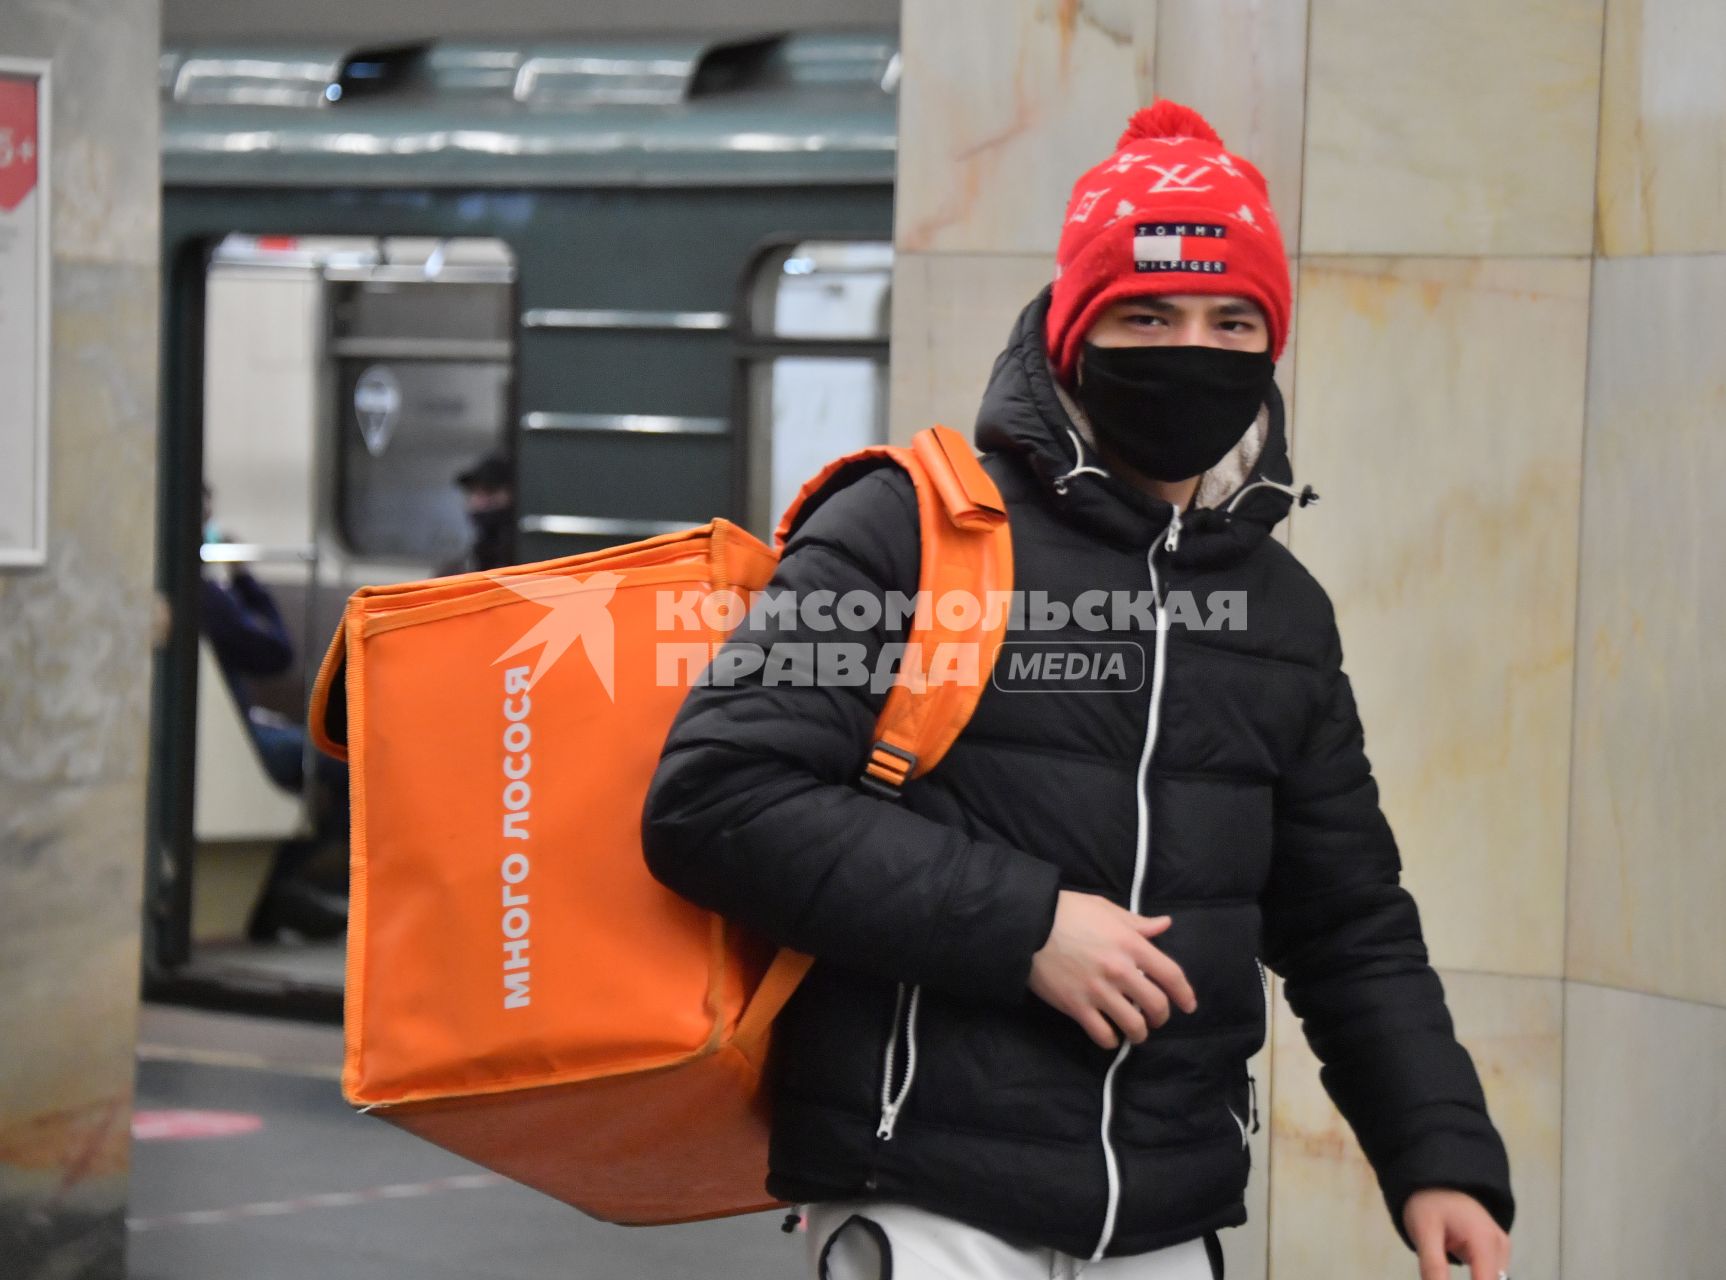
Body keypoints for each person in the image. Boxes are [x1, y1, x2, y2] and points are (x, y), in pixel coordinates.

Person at [643, 101, 1515, 1280]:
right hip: (927, 1196)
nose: (1189, 349)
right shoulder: (903, 529)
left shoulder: (1279, 612)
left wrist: (1437, 1152)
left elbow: (1347, 921)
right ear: (1071, 333)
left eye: (1231, 319)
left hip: (1168, 1210)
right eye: (1146, 314)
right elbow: (720, 796)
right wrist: (1028, 925)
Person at [199, 483, 348, 941]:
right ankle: (273, 886)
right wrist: (244, 577)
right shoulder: (204, 596)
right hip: (230, 741)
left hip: (223, 731)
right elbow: (276, 653)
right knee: (347, 763)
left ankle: (275, 892)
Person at [439, 450, 515, 576]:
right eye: (474, 492)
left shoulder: (523, 555)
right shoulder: (461, 568)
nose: (479, 502)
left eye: (490, 491)